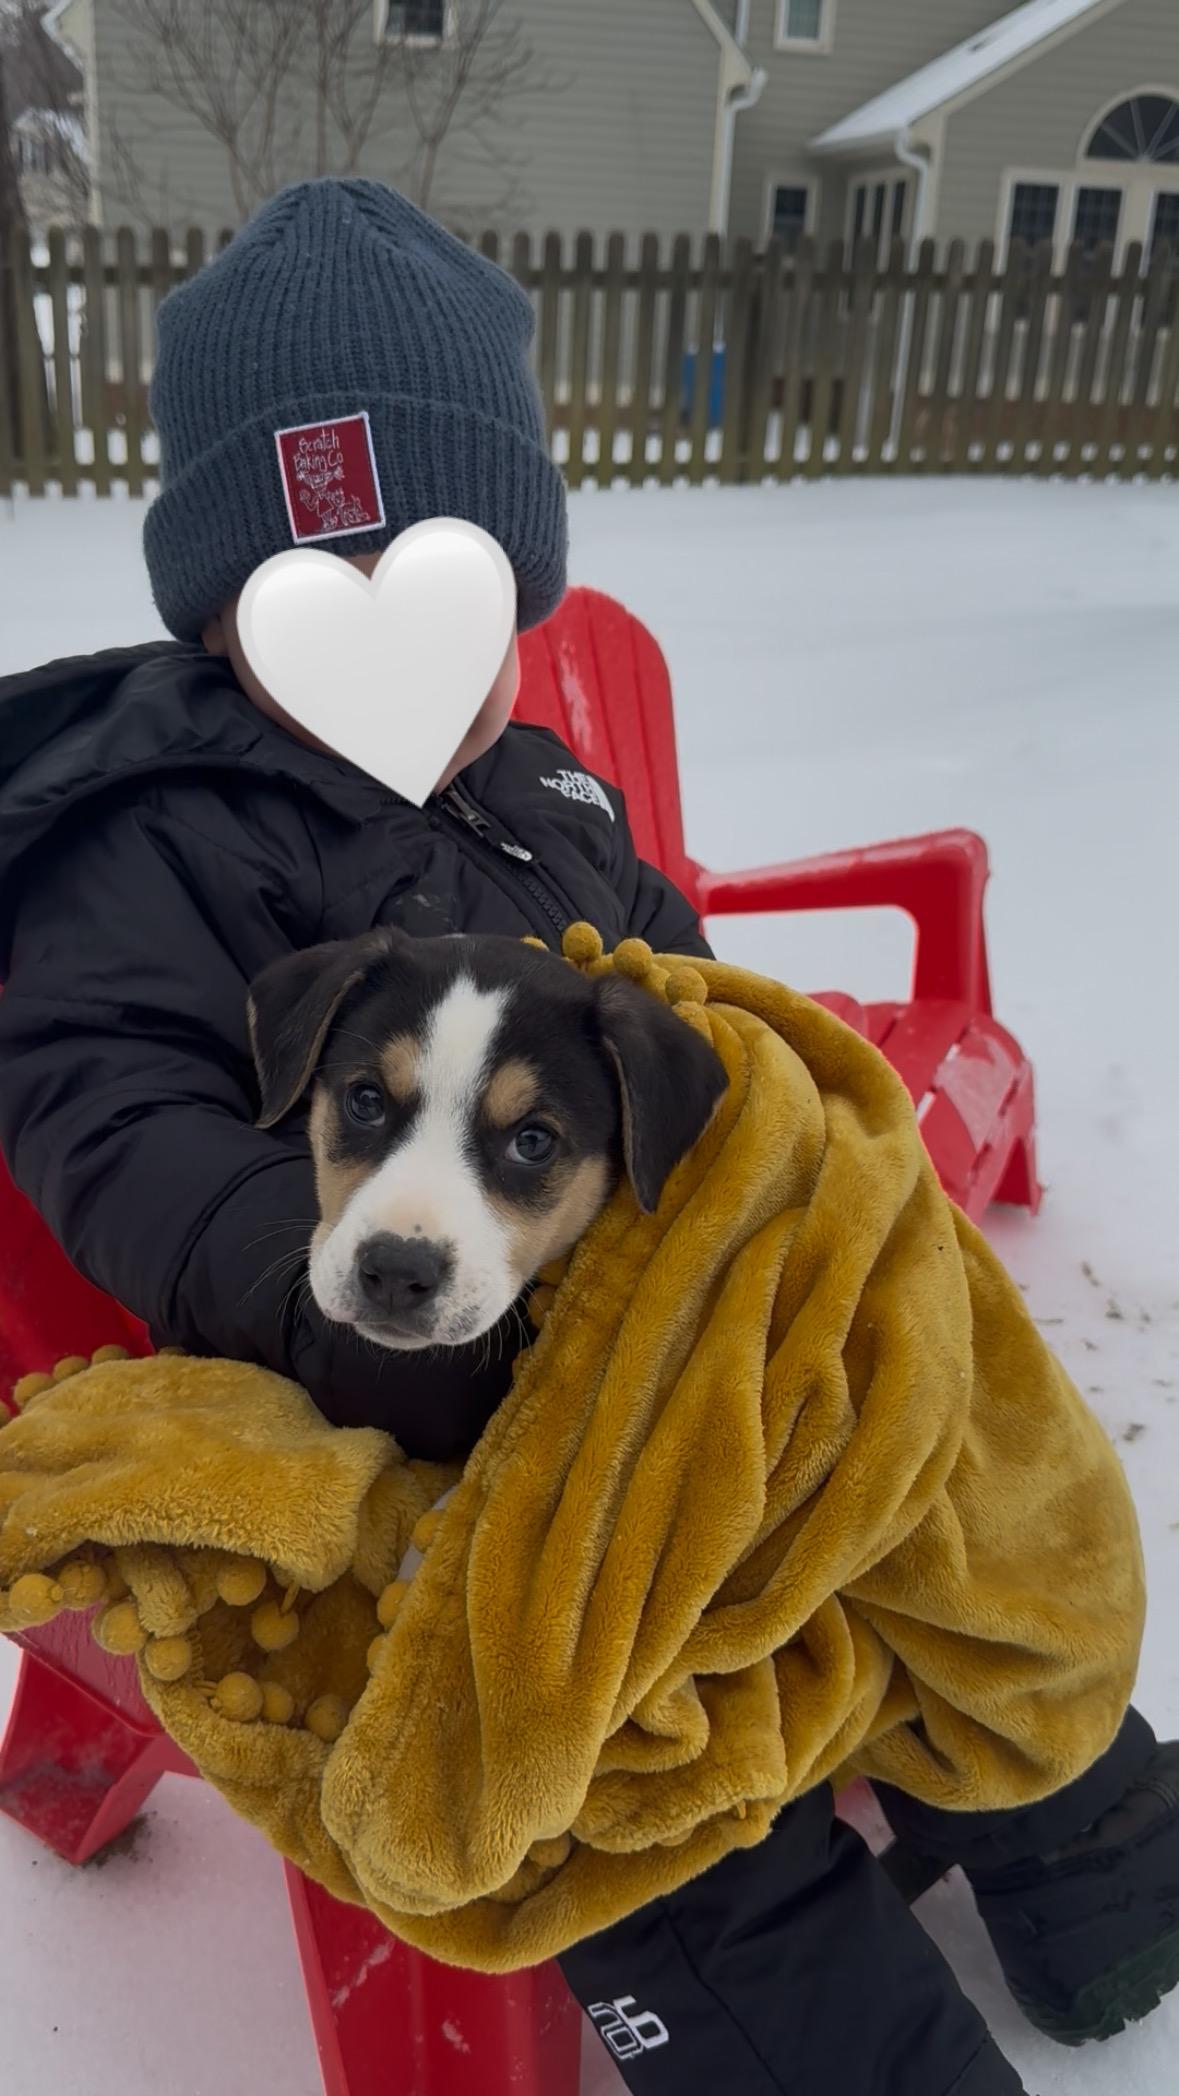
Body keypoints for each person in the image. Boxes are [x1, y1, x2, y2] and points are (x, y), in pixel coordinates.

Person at [0, 179, 1174, 2096]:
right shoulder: (152, 836)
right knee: (627, 1766)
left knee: (944, 1496)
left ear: (521, 586)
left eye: (445, 583)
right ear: (217, 610)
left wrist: (787, 1242)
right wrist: (339, 1308)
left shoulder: (540, 781)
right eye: (312, 599)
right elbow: (113, 1120)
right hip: (368, 1401)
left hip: (659, 1337)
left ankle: (1105, 1874)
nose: (398, 658)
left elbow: (690, 1007)